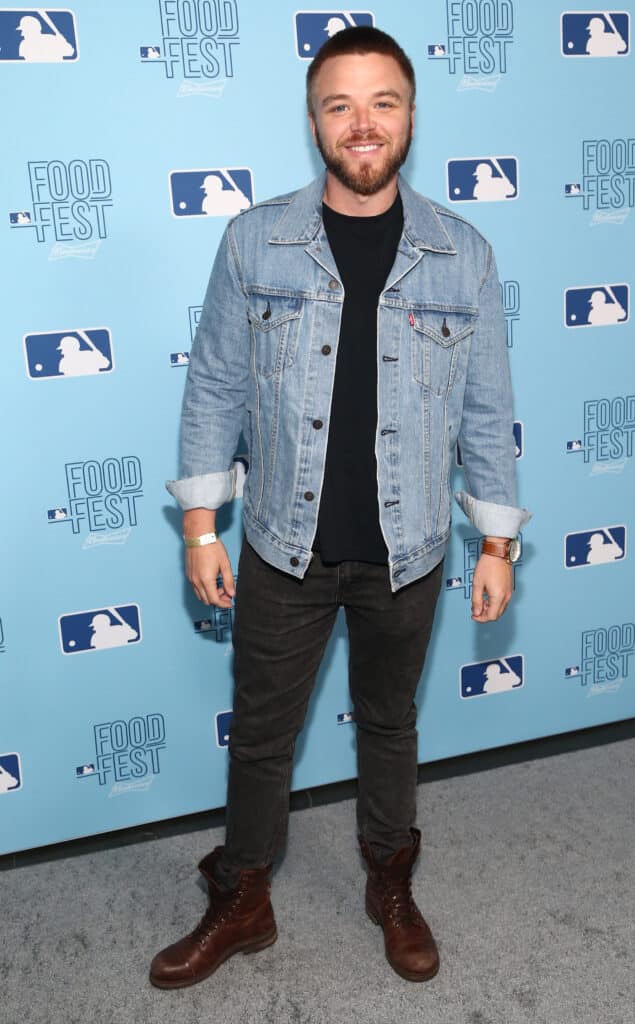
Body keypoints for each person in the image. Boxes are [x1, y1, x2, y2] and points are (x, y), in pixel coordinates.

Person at [152, 25, 530, 990]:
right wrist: (202, 523)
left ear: (408, 117)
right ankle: (244, 896)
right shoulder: (254, 240)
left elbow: (488, 408)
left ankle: (390, 882)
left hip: (407, 549)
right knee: (265, 732)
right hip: (284, 542)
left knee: (391, 724)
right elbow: (214, 390)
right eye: (339, 105)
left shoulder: (465, 254)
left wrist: (495, 541)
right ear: (316, 121)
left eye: (382, 103)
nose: (362, 124)